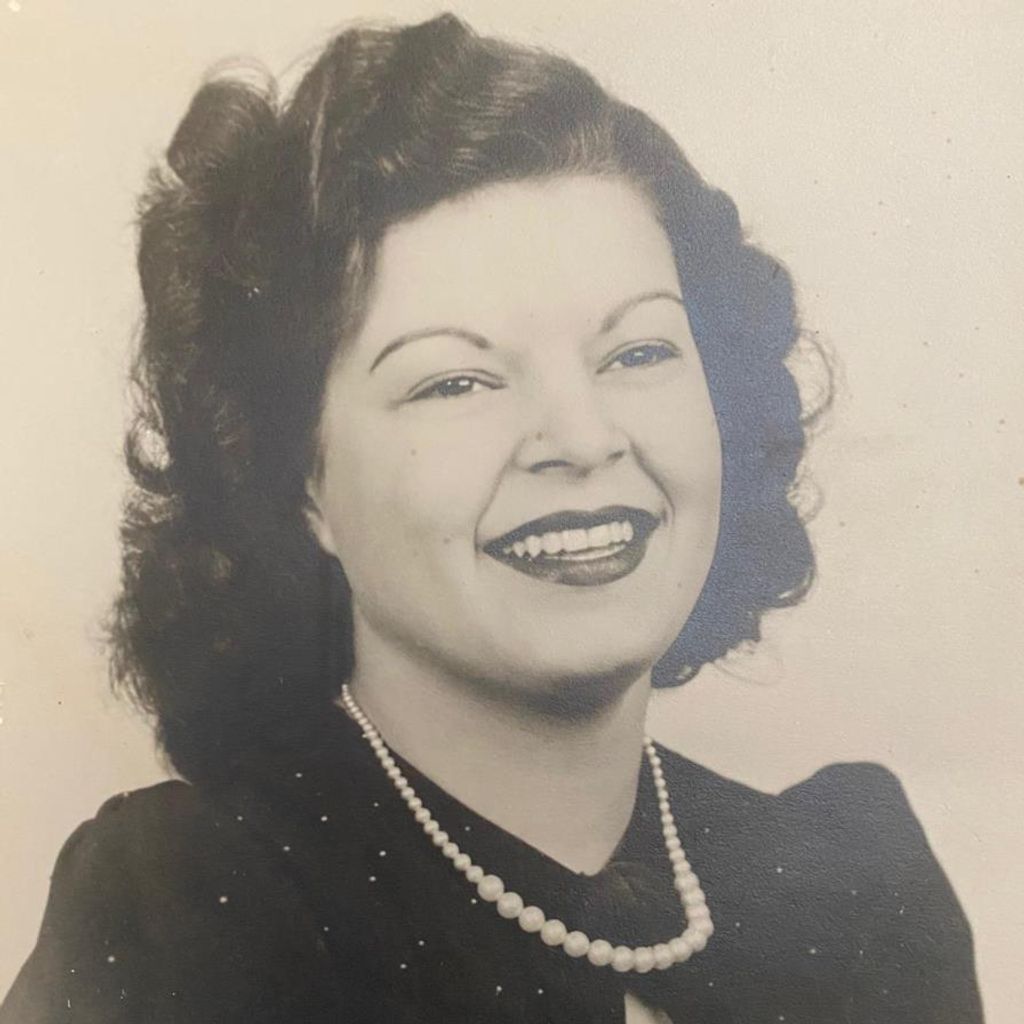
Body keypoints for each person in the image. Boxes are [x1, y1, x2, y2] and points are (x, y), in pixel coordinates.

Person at [1, 13, 983, 1023]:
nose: (583, 438)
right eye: (456, 381)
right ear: (295, 479)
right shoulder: (184, 913)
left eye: (637, 353)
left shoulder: (858, 900)